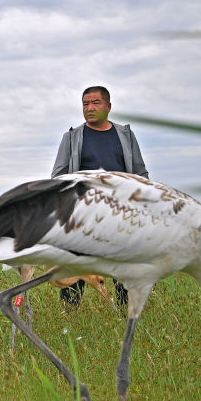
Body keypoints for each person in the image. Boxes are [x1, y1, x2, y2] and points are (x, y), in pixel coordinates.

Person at [50, 86, 149, 311]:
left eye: (95, 103)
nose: (90, 108)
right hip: (83, 215)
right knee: (76, 266)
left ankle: (127, 315)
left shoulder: (125, 135)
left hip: (121, 213)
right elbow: (58, 177)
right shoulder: (72, 137)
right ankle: (69, 315)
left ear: (108, 106)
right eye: (85, 104)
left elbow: (140, 174)